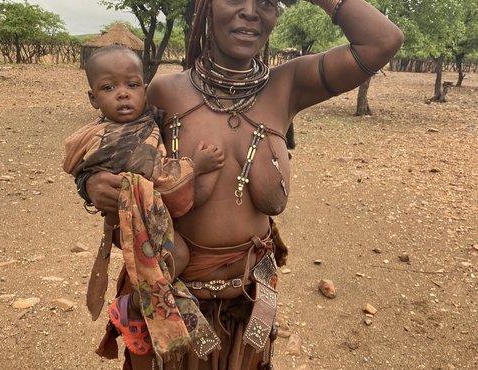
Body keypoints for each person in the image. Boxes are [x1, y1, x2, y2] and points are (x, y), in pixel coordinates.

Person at [78, 0, 403, 369]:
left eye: (265, 2)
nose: (250, 11)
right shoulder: (165, 93)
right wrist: (89, 184)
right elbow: (110, 147)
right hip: (174, 305)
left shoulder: (289, 85)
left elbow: (383, 40)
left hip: (252, 303)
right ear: (206, 8)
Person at [63, 45, 225, 360]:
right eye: (109, 88)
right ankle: (132, 307)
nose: (123, 94)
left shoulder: (143, 121)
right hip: (138, 220)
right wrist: (198, 165)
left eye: (132, 85)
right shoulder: (116, 142)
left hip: (146, 218)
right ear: (94, 99)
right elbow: (163, 178)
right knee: (176, 254)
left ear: (145, 91)